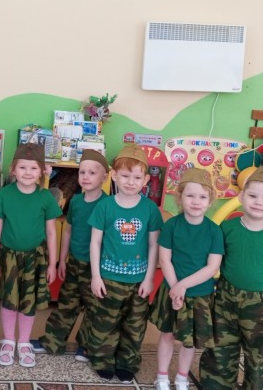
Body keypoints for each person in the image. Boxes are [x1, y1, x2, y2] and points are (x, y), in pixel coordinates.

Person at [199, 167, 263, 390]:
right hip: (227, 297)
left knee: (259, 349)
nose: (258, 202)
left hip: (262, 302)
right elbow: (217, 260)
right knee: (221, 343)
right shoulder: (227, 228)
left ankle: (258, 386)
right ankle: (217, 384)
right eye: (252, 196)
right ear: (241, 197)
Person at [87, 143, 164, 382]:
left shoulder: (150, 209)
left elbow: (154, 245)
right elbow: (95, 243)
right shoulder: (105, 206)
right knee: (105, 322)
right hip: (109, 277)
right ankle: (102, 360)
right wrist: (96, 276)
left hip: (139, 280)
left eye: (137, 177)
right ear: (114, 175)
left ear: (145, 180)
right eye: (125, 176)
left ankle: (127, 362)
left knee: (135, 325)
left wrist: (149, 279)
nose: (131, 182)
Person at [0, 142, 62, 368]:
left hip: (35, 259)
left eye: (33, 168)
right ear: (13, 169)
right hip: (8, 257)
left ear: (42, 171)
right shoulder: (3, 195)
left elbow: (51, 232)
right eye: (22, 167)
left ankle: (24, 342)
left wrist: (52, 263)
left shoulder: (46, 197)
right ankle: (9, 341)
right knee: (10, 300)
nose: (27, 172)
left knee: (29, 302)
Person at [148, 167, 224, 390]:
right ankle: (162, 376)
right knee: (167, 335)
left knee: (189, 340)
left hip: (199, 294)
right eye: (190, 195)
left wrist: (182, 286)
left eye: (202, 197)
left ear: (210, 200)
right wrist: (175, 288)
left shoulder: (214, 231)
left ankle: (182, 377)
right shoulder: (171, 225)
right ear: (180, 197)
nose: (196, 202)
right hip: (171, 290)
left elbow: (212, 267)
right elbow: (165, 259)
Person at [31, 149, 109, 361]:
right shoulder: (75, 201)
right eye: (82, 172)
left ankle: (86, 346)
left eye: (92, 173)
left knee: (94, 307)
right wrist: (62, 260)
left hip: (97, 267)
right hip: (74, 262)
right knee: (67, 303)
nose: (85, 177)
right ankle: (53, 341)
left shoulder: (108, 205)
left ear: (104, 177)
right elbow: (68, 230)